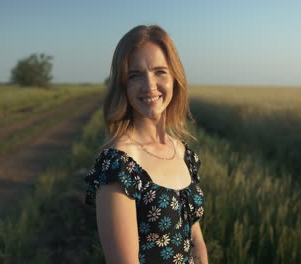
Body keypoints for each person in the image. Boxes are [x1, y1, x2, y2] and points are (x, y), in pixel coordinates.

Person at [85, 24, 208, 264]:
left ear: (174, 77)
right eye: (135, 75)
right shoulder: (119, 166)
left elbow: (198, 245)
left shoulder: (184, 154)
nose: (150, 86)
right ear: (123, 86)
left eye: (160, 71)